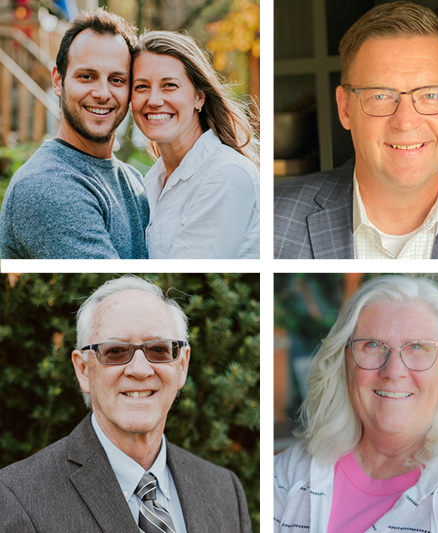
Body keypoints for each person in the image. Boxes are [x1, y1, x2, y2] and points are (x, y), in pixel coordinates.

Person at [274, 1, 438, 259]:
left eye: (430, 94)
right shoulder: (271, 222)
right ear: (345, 108)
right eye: (380, 96)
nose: (405, 121)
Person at [274, 276, 438, 532]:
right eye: (372, 345)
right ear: (344, 362)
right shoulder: (289, 473)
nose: (393, 371)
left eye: (417, 347)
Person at [0, 276, 251, 532]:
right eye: (116, 351)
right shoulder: (16, 497)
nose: (140, 370)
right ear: (83, 369)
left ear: (182, 365)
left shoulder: (224, 490)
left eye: (158, 350)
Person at [0, 9, 149, 259]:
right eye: (86, 76)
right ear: (58, 81)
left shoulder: (134, 180)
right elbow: (118, 288)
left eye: (117, 80)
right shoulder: (46, 184)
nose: (102, 93)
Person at [131, 31, 260, 259]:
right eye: (141, 87)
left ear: (199, 97)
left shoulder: (226, 175)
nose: (154, 100)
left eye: (169, 85)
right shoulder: (152, 180)